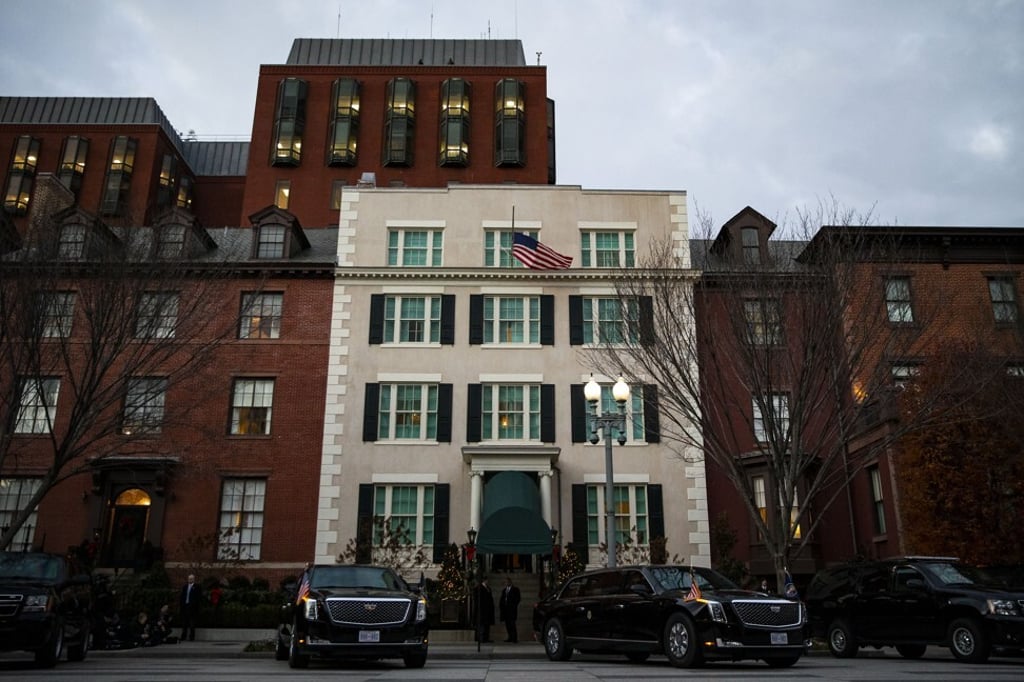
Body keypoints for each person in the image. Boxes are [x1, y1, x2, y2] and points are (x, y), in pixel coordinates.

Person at [179, 573, 202, 641]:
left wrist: (195, 606)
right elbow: (182, 596)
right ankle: (183, 636)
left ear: (194, 579)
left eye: (191, 579)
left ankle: (191, 637)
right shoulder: (185, 587)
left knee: (192, 624)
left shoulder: (197, 587)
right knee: (184, 623)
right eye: (189, 579)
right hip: (185, 606)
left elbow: (198, 598)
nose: (190, 580)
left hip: (192, 608)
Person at [499, 576, 521, 643]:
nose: (506, 583)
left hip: (512, 610)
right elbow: (502, 599)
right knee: (507, 625)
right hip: (506, 610)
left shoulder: (515, 589)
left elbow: (518, 598)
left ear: (510, 582)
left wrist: (513, 605)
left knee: (512, 624)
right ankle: (510, 637)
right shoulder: (504, 590)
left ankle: (514, 638)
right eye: (505, 582)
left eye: (507, 582)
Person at [473, 577, 495, 643]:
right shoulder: (479, 588)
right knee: (482, 625)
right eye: (487, 580)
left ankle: (486, 638)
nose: (488, 582)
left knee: (487, 625)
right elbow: (477, 599)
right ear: (484, 581)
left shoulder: (488, 588)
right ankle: (481, 638)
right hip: (482, 610)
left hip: (488, 610)